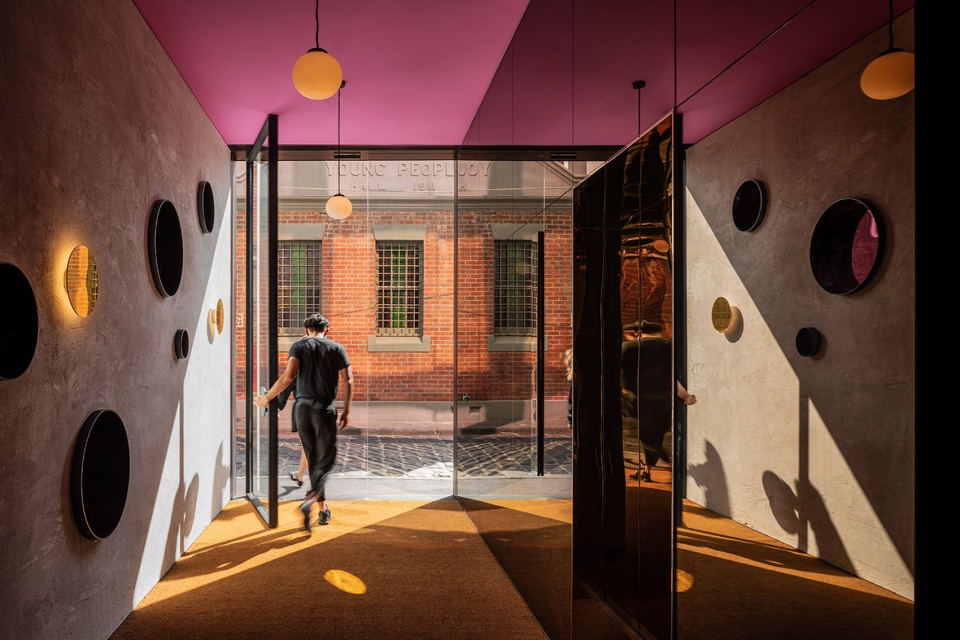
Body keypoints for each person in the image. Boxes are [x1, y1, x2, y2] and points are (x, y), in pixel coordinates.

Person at [254, 313, 353, 532]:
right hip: (323, 410)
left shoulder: (299, 346)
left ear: (306, 330)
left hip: (302, 410)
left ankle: (322, 509)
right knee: (325, 461)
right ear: (327, 330)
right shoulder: (337, 348)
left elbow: (288, 377)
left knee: (313, 459)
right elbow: (349, 380)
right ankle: (311, 499)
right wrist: (346, 410)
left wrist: (267, 398)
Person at [623, 320, 697, 482]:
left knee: (648, 440)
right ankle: (647, 471)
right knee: (656, 437)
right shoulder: (670, 346)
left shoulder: (629, 348)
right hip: (665, 402)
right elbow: (673, 377)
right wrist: (685, 396)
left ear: (638, 333)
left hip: (641, 403)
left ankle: (670, 465)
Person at [276, 378, 308, 489]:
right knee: (311, 446)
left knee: (308, 446)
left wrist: (278, 405)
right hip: (323, 408)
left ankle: (306, 479)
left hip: (303, 408)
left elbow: (288, 380)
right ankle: (300, 475)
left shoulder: (300, 367)